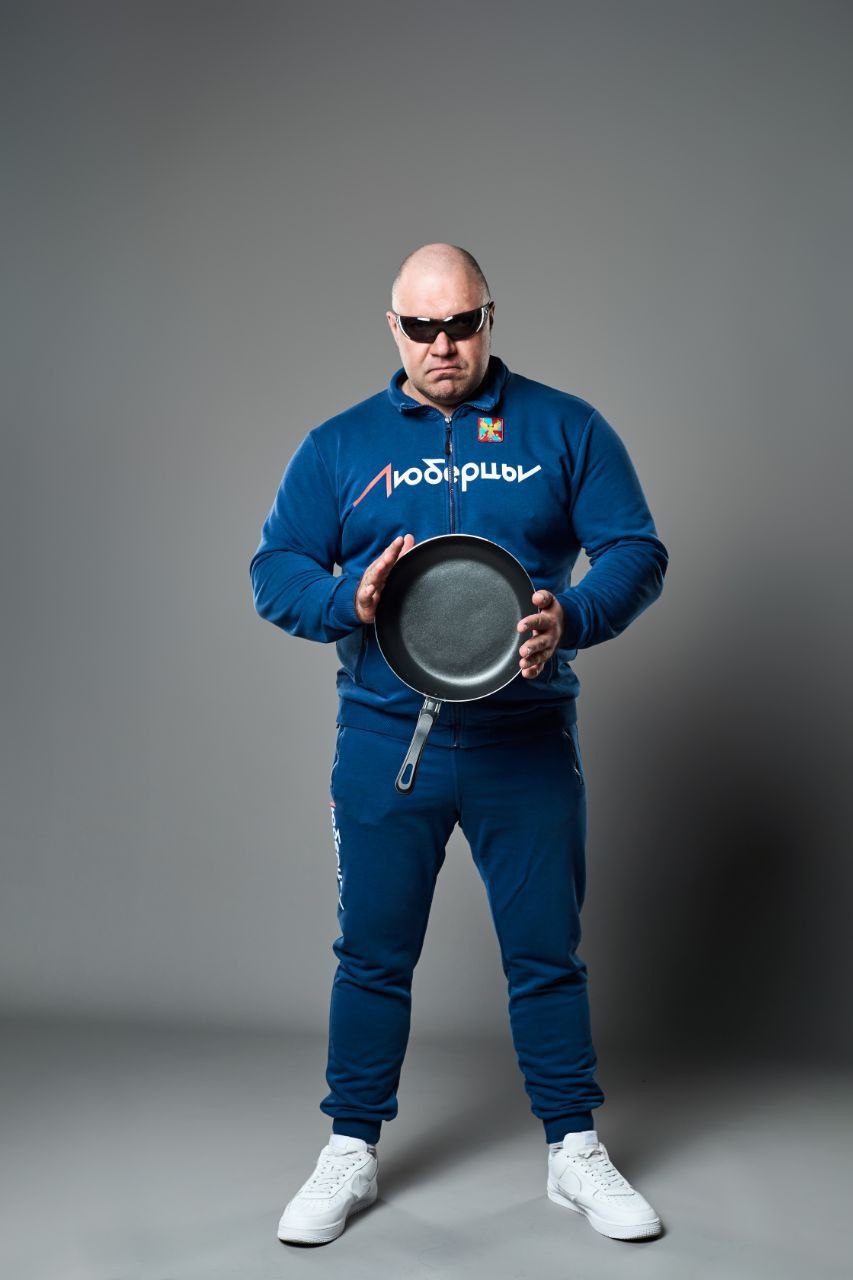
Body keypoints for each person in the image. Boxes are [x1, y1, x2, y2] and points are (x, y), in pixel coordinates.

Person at [249, 243, 669, 1246]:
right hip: (385, 739)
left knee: (545, 953)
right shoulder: (339, 445)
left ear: (489, 317)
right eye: (422, 326)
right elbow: (274, 568)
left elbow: (635, 550)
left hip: (524, 738)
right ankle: (350, 1146)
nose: (443, 345)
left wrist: (571, 614)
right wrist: (342, 599)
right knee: (371, 954)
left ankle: (573, 1147)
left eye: (462, 323)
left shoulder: (564, 426)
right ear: (393, 328)